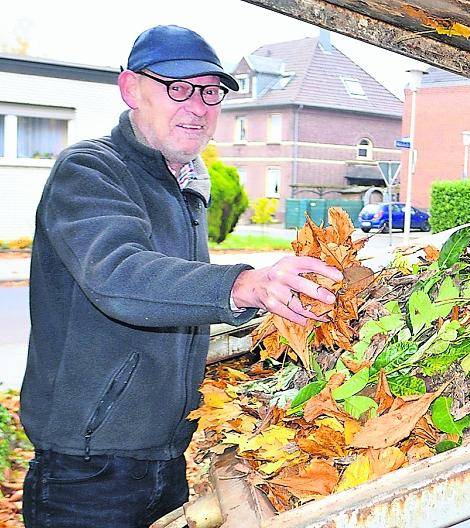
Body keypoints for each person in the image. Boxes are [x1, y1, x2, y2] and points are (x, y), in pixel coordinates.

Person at [19, 25, 342, 527]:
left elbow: (180, 298)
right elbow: (119, 276)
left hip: (165, 460)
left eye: (210, 92)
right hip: (88, 469)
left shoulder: (184, 185)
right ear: (131, 90)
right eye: (178, 88)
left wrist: (271, 314)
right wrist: (243, 283)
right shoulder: (90, 170)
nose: (197, 105)